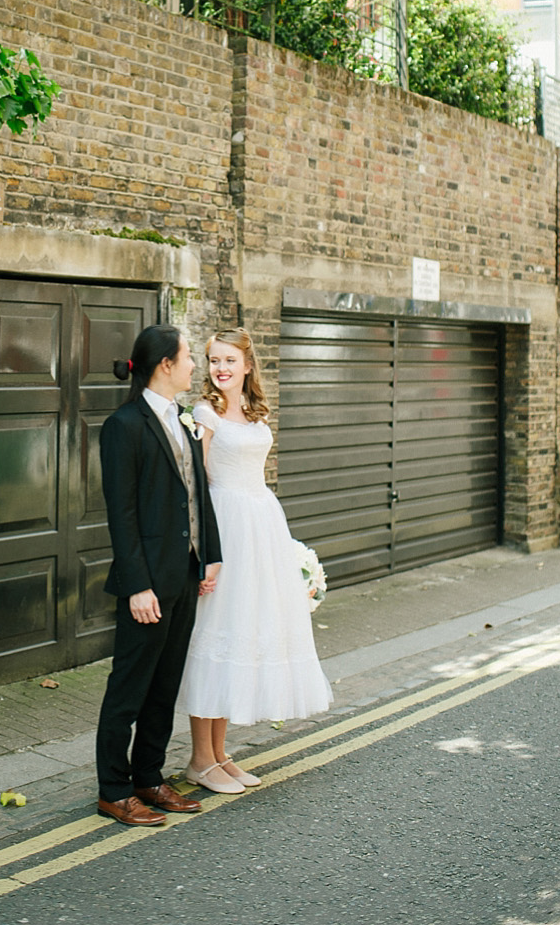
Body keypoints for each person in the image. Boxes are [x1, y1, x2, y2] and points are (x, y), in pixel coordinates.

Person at [177, 327, 333, 794]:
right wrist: (204, 553)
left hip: (260, 525)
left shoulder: (255, 412)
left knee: (239, 636)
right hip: (225, 526)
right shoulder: (203, 414)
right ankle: (199, 759)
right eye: (213, 361)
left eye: (229, 360)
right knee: (214, 636)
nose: (220, 369)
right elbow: (195, 488)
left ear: (247, 365)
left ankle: (221, 756)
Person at [95, 324, 223, 826]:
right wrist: (136, 586)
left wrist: (208, 555)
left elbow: (199, 496)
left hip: (185, 575)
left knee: (165, 685)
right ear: (165, 365)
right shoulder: (123, 426)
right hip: (146, 584)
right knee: (128, 687)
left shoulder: (184, 420)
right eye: (190, 357)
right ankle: (113, 788)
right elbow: (120, 514)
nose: (196, 365)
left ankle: (149, 777)